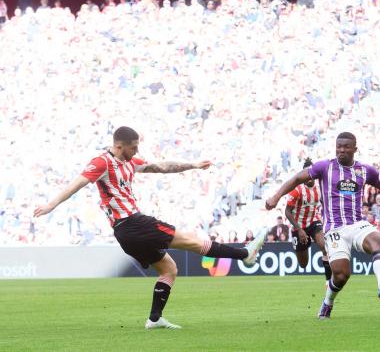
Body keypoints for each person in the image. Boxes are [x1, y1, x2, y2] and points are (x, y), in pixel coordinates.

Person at [33, 127, 267, 329]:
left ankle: (155, 319)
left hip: (126, 232)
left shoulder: (130, 162)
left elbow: (161, 167)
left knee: (169, 269)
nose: (137, 151)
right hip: (133, 223)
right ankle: (245, 254)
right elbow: (78, 182)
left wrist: (193, 165)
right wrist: (50, 205)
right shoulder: (102, 162)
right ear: (119, 145)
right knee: (192, 241)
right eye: (133, 147)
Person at [266, 132, 380, 319]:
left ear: (355, 149)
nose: (341, 150)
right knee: (342, 275)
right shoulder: (324, 167)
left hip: (357, 224)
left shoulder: (365, 171)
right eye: (339, 146)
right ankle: (327, 303)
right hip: (334, 229)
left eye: (346, 147)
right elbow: (296, 179)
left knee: (378, 242)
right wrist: (277, 196)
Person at [284, 158, 332, 284]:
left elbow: (325, 204)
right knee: (303, 264)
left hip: (314, 222)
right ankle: (302, 244)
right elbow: (287, 212)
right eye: (307, 172)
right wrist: (299, 230)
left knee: (325, 248)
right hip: (298, 226)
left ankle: (329, 283)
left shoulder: (320, 188)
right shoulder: (296, 190)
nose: (310, 176)